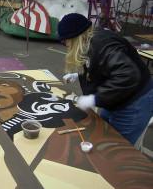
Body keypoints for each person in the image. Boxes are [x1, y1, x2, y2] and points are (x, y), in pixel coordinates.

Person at [58, 13, 153, 145]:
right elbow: (97, 65)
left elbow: (128, 75)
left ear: (76, 37)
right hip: (116, 97)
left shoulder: (103, 45)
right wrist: (78, 75)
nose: (66, 44)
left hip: (134, 101)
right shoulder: (89, 40)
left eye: (66, 40)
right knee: (99, 134)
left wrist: (95, 98)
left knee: (116, 149)